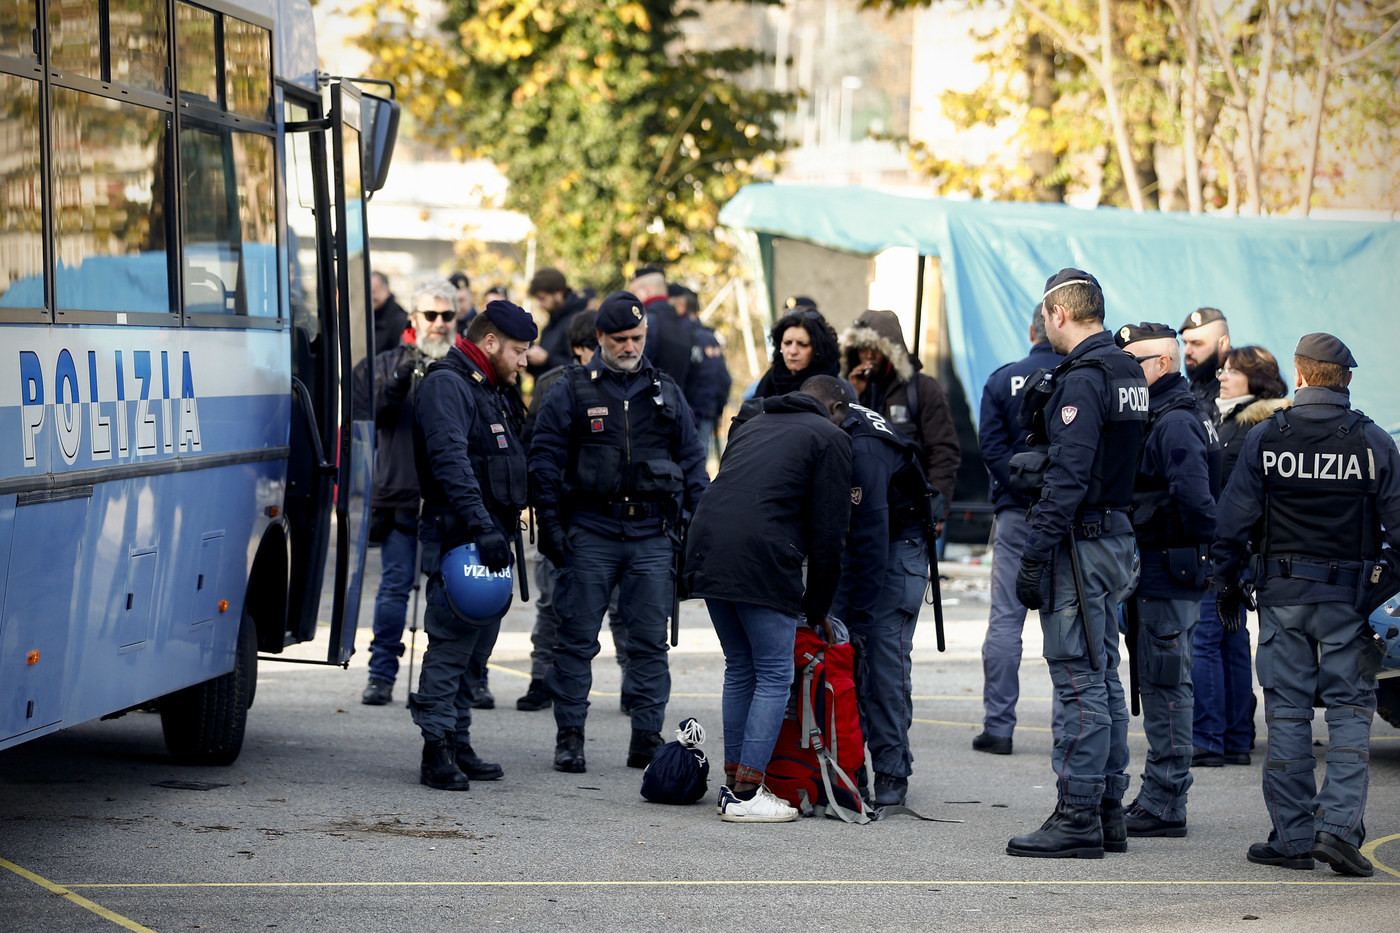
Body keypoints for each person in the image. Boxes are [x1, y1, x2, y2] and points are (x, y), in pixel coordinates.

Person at [1213, 333, 1400, 877]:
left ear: (1299, 374)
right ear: (1345, 379)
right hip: (1348, 599)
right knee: (1348, 714)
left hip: (1283, 596)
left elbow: (1232, 523)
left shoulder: (1269, 436)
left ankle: (1293, 838)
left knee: (1289, 713)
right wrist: (1376, 591)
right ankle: (1338, 831)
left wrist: (1227, 584)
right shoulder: (1372, 441)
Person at [528, 291, 709, 773]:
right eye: (621, 339)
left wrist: (697, 529)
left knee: (649, 641)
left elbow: (693, 464)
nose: (630, 347)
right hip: (591, 528)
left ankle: (646, 737)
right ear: (600, 339)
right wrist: (549, 525)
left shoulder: (666, 389)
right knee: (576, 638)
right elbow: (544, 460)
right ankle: (570, 737)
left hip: (652, 533)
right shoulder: (572, 388)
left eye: (637, 337)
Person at [1005, 268, 1148, 860]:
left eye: (1045, 317)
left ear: (1058, 314)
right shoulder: (1128, 370)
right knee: (1102, 675)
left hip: (1082, 544)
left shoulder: (1086, 378)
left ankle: (1078, 816)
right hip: (1114, 537)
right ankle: (1107, 809)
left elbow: (1067, 479)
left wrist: (1033, 554)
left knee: (1079, 682)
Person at [684, 382, 852, 821]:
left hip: (707, 544)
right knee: (775, 673)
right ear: (835, 406)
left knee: (740, 667)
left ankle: (733, 782)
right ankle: (746, 793)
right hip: (761, 554)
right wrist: (817, 609)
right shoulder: (831, 437)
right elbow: (830, 536)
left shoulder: (756, 420)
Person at [409, 300, 538, 790]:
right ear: (490, 343)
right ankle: (436, 748)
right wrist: (483, 527)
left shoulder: (488, 388)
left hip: (488, 538)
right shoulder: (448, 384)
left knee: (475, 650)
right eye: (518, 351)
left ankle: (458, 741)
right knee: (449, 645)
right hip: (461, 537)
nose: (524, 361)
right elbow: (451, 463)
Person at [1115, 322, 1219, 839]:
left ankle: (1165, 801)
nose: (1125, 370)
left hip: (1168, 569)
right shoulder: (1157, 413)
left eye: (1133, 361)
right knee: (1159, 685)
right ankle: (1160, 794)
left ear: (1162, 364)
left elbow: (1197, 503)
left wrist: (1205, 558)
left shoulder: (1174, 421)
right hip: (1156, 569)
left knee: (1165, 687)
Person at [808, 375, 932, 808]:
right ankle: (847, 769)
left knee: (881, 657)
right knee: (839, 655)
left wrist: (857, 615)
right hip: (861, 543)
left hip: (896, 545)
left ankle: (892, 771)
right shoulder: (834, 425)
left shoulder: (864, 449)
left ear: (837, 411)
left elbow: (872, 539)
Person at [515, 311, 631, 713]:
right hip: (564, 514)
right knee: (552, 604)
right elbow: (534, 448)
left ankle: (632, 683)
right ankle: (540, 678)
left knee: (621, 609)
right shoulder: (554, 386)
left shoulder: (629, 387)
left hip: (613, 518)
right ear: (582, 349)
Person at [359, 279, 458, 707]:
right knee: (395, 588)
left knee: (455, 594)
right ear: (413, 318)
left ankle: (465, 680)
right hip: (400, 498)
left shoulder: (461, 366)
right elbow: (368, 416)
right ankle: (381, 674)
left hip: (451, 503)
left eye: (447, 316)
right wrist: (397, 382)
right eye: (430, 315)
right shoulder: (384, 364)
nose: (438, 323)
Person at [973, 307, 1064, 755]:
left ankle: (999, 727)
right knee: (1063, 620)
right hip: (1065, 515)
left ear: (1032, 330)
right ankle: (1068, 730)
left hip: (1014, 513)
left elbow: (988, 446)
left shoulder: (1001, 379)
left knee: (1006, 619)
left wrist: (1016, 484)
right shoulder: (1078, 375)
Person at [1192, 345, 1289, 767]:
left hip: (1229, 547)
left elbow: (1234, 495)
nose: (1222, 377)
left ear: (1257, 381)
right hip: (1240, 547)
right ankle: (1233, 737)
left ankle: (1210, 738)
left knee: (1208, 640)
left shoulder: (1250, 426)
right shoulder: (1234, 419)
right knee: (1230, 638)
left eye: (1233, 372)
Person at [840, 310, 961, 525]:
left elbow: (943, 452)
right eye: (862, 348)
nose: (868, 355)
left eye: (876, 348)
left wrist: (938, 512)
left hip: (910, 517)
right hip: (860, 514)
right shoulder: (849, 390)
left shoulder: (922, 389)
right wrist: (852, 397)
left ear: (891, 350)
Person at [668, 284, 732, 454]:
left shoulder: (679, 335)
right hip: (705, 411)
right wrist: (717, 408)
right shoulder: (709, 337)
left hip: (688, 412)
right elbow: (723, 378)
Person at [751, 308, 842, 400]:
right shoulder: (771, 379)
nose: (793, 351)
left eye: (803, 345)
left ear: (817, 349)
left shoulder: (834, 387)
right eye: (787, 343)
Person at [628, 265, 695, 389]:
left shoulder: (645, 321)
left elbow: (631, 367)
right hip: (674, 402)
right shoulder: (683, 324)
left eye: (634, 292)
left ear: (646, 291)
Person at [525, 267, 590, 378]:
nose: (540, 305)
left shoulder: (578, 322)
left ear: (559, 294)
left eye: (542, 298)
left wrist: (547, 359)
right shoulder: (552, 323)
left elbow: (583, 367)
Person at [1179, 307, 1230, 407]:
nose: (1187, 351)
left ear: (1223, 343)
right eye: (1185, 343)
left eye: (1197, 343)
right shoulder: (1191, 386)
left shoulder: (1242, 385)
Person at [370, 271, 409, 356]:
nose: (370, 297)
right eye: (366, 292)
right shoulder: (363, 316)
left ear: (387, 292)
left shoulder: (399, 320)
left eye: (373, 291)